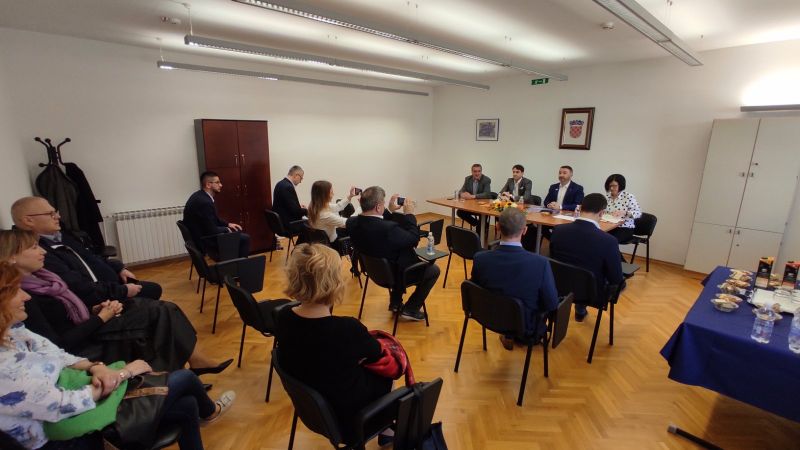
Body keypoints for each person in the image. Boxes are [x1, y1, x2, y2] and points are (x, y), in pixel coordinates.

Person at [0, 262, 236, 450]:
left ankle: (208, 411)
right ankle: (210, 410)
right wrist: (125, 373)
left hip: (80, 396)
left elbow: (59, 355)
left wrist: (96, 368)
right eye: (15, 291)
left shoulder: (15, 331)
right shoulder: (4, 369)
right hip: (66, 436)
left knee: (187, 404)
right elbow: (63, 405)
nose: (26, 296)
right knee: (184, 378)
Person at [0, 229, 231, 374]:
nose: (42, 251)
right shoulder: (21, 297)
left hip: (90, 319)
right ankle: (176, 374)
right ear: (12, 257)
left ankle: (183, 371)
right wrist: (101, 317)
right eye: (34, 247)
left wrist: (94, 309)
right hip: (85, 338)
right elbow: (59, 343)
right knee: (161, 313)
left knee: (160, 309)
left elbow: (68, 309)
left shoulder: (44, 277)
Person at [274, 243, 393, 444]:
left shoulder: (282, 316)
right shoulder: (347, 329)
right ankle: (387, 429)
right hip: (350, 420)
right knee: (387, 374)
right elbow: (378, 355)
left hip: (312, 410)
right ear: (334, 282)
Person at [11, 197, 162, 304]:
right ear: (28, 220)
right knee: (154, 294)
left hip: (111, 284)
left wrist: (119, 268)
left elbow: (91, 256)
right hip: (102, 296)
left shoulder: (60, 236)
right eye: (50, 214)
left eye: (55, 212)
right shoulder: (36, 252)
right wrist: (122, 291)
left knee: (152, 290)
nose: (58, 216)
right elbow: (77, 286)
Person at [346, 187, 440, 320]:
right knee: (433, 270)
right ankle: (411, 308)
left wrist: (389, 210)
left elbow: (375, 223)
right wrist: (409, 214)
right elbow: (413, 239)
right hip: (395, 275)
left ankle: (395, 303)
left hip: (373, 271)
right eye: (383, 203)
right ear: (378, 207)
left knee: (395, 254)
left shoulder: (351, 223)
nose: (384, 205)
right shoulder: (388, 229)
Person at [471, 208, 559, 350]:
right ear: (524, 231)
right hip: (525, 325)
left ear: (497, 227)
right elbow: (552, 304)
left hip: (487, 316)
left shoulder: (480, 259)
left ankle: (508, 336)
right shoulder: (540, 264)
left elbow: (476, 289)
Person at [549, 194, 624, 322]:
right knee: (619, 281)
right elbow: (615, 278)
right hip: (591, 293)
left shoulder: (558, 230)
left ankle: (579, 309)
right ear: (602, 213)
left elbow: (553, 257)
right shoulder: (609, 241)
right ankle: (580, 309)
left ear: (580, 208)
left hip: (559, 286)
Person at [183, 171, 250, 258]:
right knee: (245, 238)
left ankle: (233, 263)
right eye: (217, 182)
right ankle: (237, 264)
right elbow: (212, 230)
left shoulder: (200, 196)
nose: (221, 185)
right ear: (208, 185)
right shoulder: (205, 202)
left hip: (199, 236)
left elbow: (213, 219)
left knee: (237, 234)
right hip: (204, 240)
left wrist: (228, 224)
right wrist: (226, 229)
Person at [604, 174, 642, 243]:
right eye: (610, 186)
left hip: (625, 228)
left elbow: (638, 213)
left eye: (614, 186)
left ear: (621, 185)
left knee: (609, 241)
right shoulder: (607, 197)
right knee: (596, 237)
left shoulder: (628, 197)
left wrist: (625, 213)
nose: (611, 188)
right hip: (609, 226)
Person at [456, 164, 492, 235]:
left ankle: (479, 235)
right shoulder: (467, 179)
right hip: (471, 206)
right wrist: (462, 194)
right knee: (459, 212)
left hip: (482, 207)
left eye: (479, 171)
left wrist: (472, 196)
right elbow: (461, 191)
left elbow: (487, 194)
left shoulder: (486, 180)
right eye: (475, 171)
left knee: (483, 215)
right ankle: (478, 224)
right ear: (472, 172)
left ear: (481, 171)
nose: (477, 173)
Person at [272, 165, 307, 234]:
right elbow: (296, 212)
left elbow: (286, 205)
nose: (300, 181)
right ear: (296, 175)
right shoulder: (288, 187)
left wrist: (298, 207)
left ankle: (300, 241)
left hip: (279, 223)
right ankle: (302, 241)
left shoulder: (280, 183)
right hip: (288, 224)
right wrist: (306, 211)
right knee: (310, 224)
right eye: (301, 178)